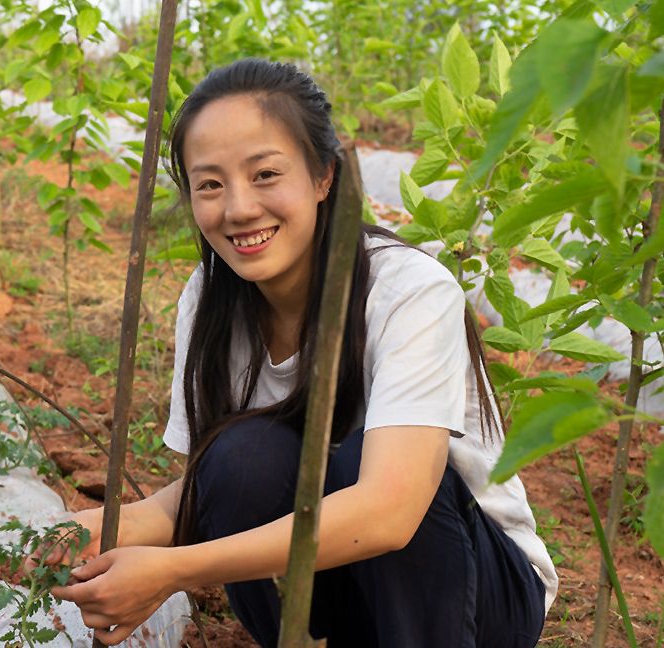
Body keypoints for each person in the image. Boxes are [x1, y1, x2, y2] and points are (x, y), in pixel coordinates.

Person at [51, 58, 557, 648]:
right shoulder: (212, 298)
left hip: (476, 597)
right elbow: (208, 492)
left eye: (265, 174)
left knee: (354, 465)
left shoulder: (408, 292)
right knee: (238, 456)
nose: (238, 208)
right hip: (347, 588)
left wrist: (174, 570)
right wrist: (101, 532)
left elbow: (390, 513)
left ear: (324, 178)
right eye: (210, 184)